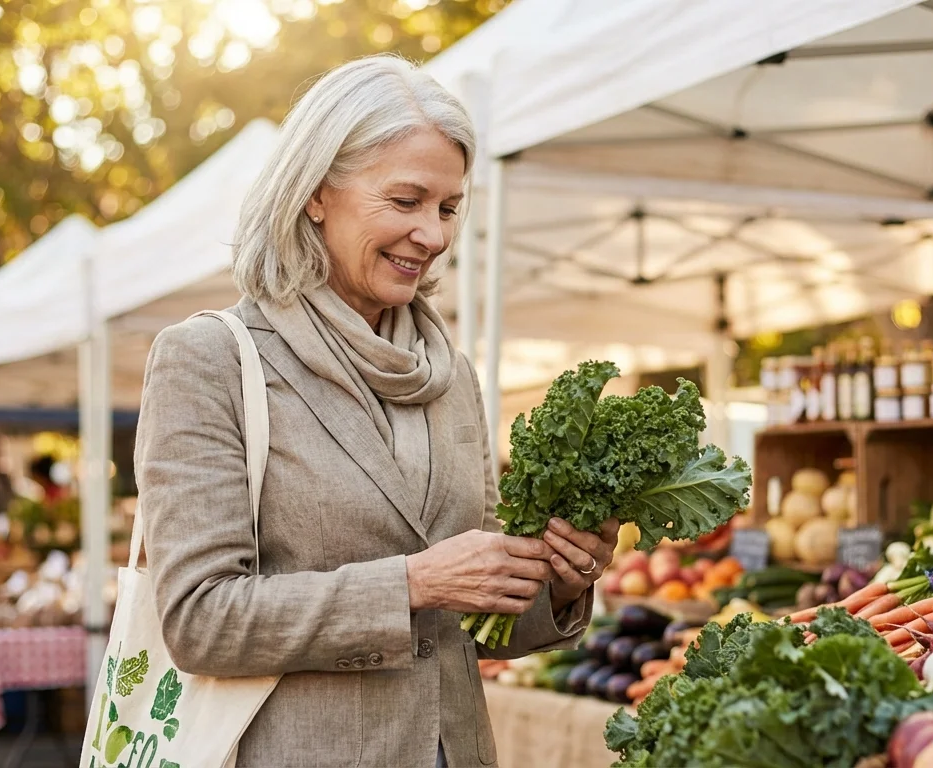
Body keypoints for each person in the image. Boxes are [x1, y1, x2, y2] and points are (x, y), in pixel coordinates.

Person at [135, 55, 618, 768]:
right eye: (406, 201)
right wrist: (414, 583)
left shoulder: (449, 375)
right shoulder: (211, 360)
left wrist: (560, 580)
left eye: (448, 207)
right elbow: (200, 619)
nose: (435, 234)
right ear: (316, 193)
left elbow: (476, 620)